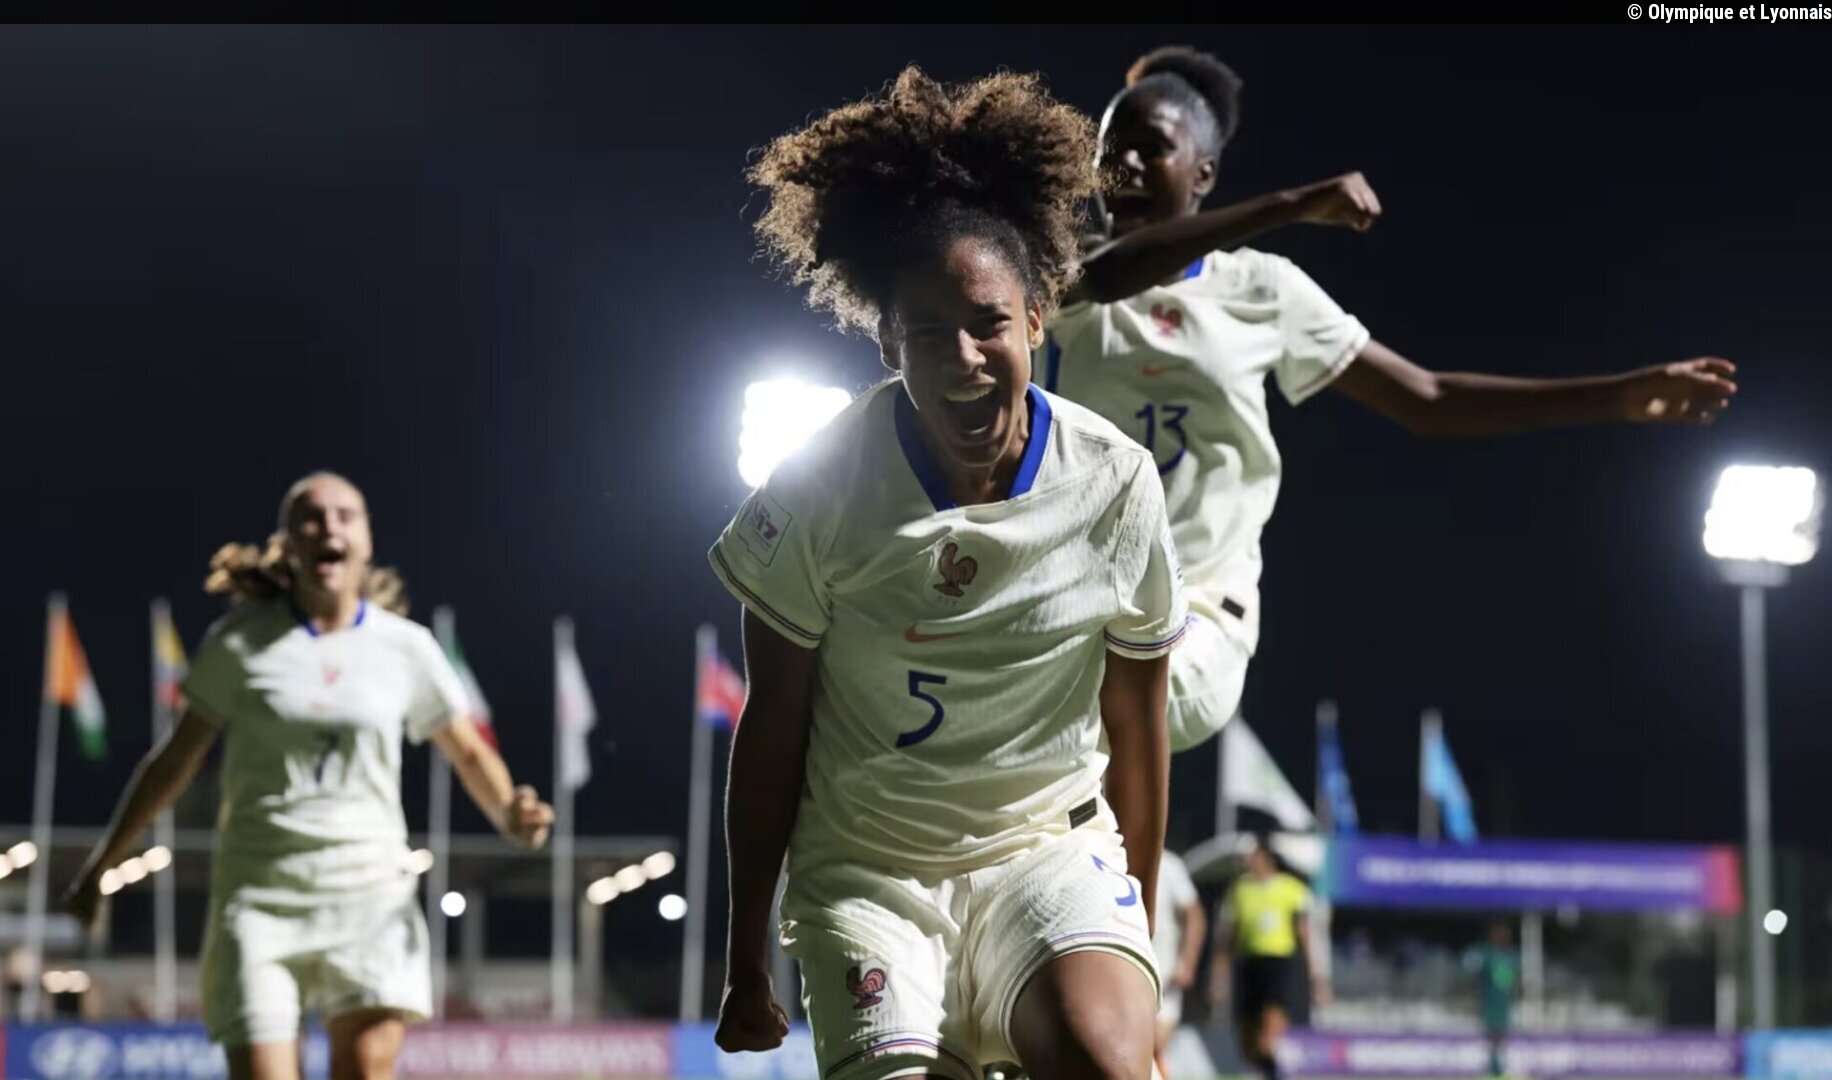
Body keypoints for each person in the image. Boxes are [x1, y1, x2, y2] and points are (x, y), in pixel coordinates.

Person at [1043, 45, 1738, 754]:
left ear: (1204, 173)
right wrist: (1291, 205)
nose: (1125, 165)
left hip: (1196, 611)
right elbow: (1109, 276)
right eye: (1110, 150)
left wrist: (1616, 397)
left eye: (1153, 147)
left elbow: (1428, 398)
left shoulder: (1262, 289)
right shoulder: (1057, 278)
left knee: (1112, 686)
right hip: (1071, 599)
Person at [709, 67, 1188, 1080]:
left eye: (987, 322)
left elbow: (1137, 723)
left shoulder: (1113, 482)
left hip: (1047, 854)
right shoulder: (816, 489)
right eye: (927, 333)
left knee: (1110, 1065)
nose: (963, 356)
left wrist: (1136, 939)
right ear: (888, 342)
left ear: (1035, 318)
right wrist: (745, 957)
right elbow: (773, 726)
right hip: (871, 873)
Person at [64, 472, 554, 1080]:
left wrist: (510, 810)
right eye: (312, 518)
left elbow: (470, 754)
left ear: (367, 541)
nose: (329, 528)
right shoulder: (238, 643)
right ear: (289, 542)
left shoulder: (408, 648)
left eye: (345, 516)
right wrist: (102, 865)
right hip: (259, 899)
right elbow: (172, 763)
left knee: (366, 1065)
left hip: (371, 896)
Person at [1211, 837, 1323, 1080]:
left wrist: (1316, 976)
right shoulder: (1240, 890)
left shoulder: (1292, 889)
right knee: (1247, 1039)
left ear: (1266, 857)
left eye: (1252, 855)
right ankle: (1268, 1069)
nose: (1247, 861)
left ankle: (1273, 1067)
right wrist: (1219, 975)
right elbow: (1228, 937)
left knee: (1268, 1032)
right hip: (1249, 963)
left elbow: (1304, 935)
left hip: (1278, 963)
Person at [1151, 844, 1205, 1078]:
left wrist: (1187, 962)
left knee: (1154, 1045)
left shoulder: (1169, 865)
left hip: (1165, 974)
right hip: (1123, 973)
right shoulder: (1111, 853)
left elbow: (1194, 916)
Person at [1467, 920, 1522, 1077]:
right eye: (1499, 934)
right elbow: (1474, 976)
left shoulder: (1512, 956)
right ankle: (1492, 1069)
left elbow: (1515, 980)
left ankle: (1499, 1069)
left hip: (1505, 1005)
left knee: (1502, 1039)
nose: (1503, 937)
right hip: (1489, 1005)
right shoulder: (1485, 954)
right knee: (1491, 1038)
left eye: (1505, 934)